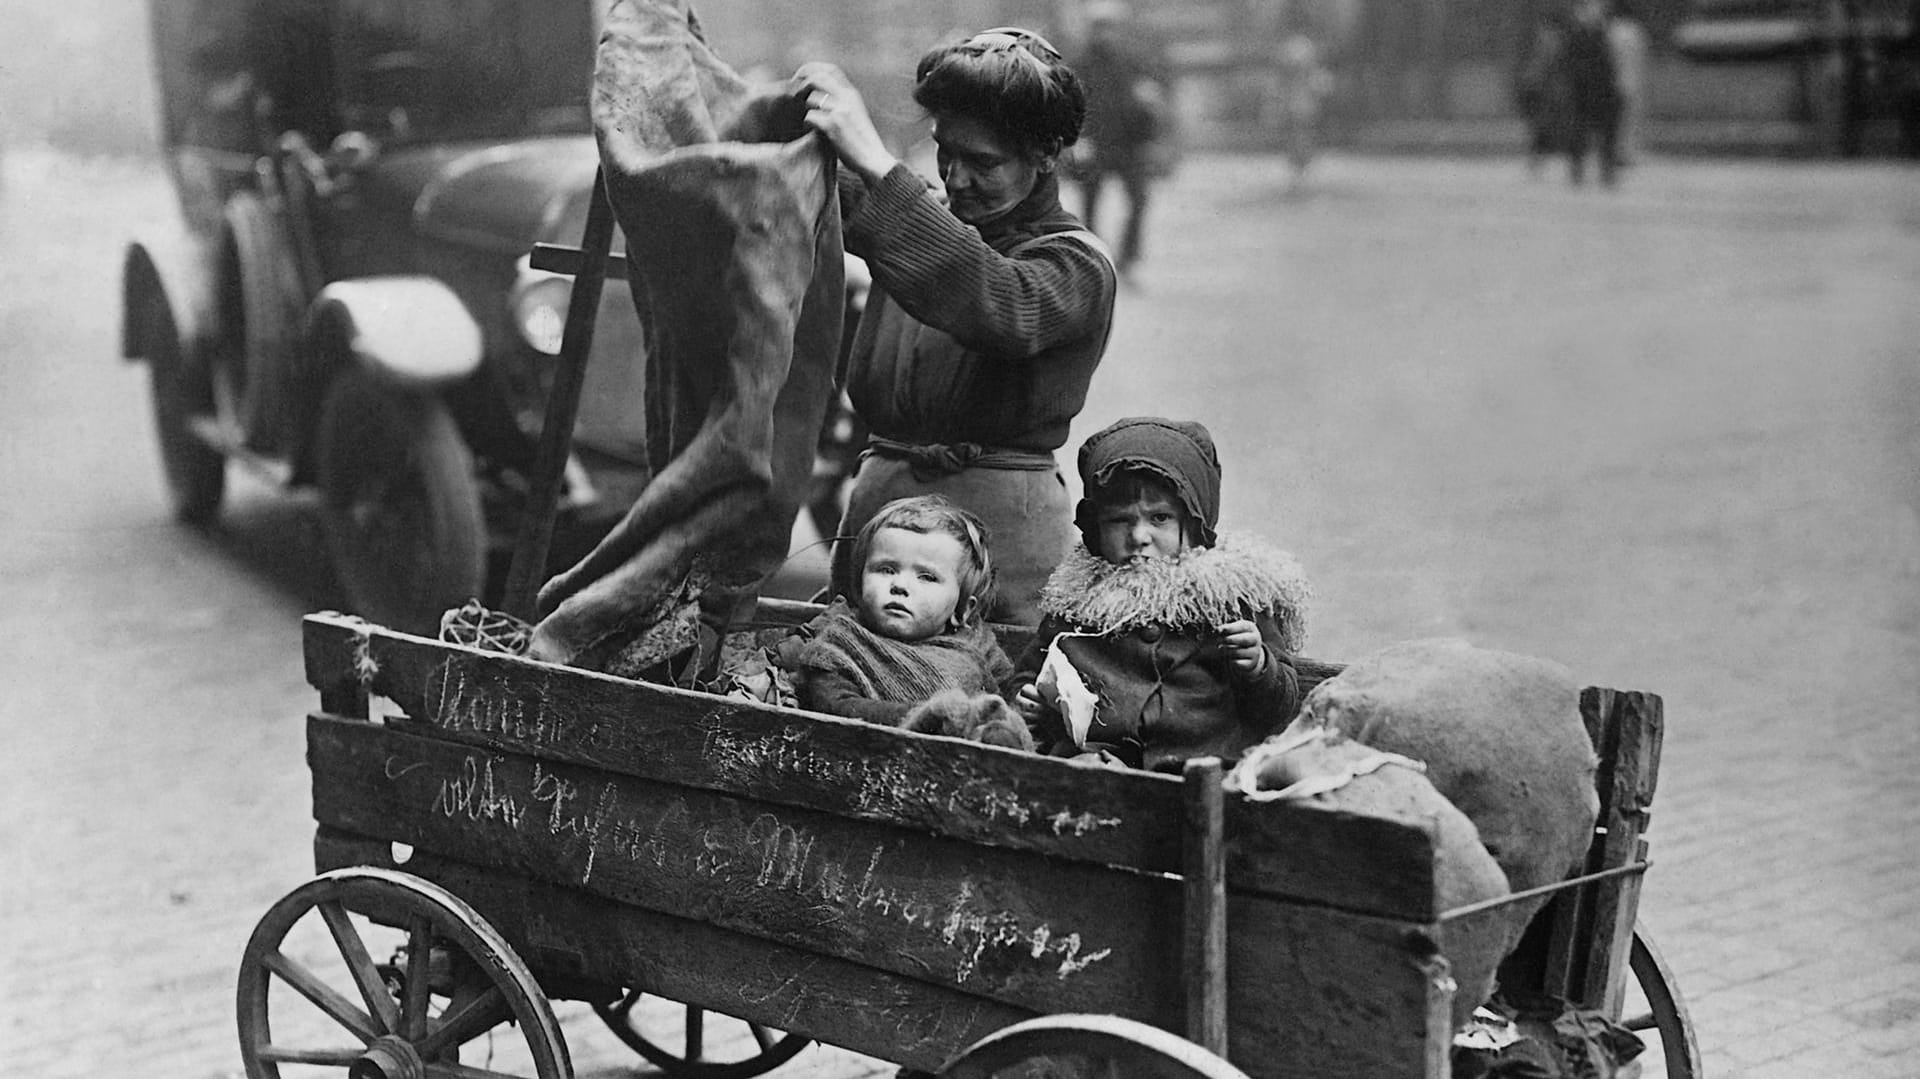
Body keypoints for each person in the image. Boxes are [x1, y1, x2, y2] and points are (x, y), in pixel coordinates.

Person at [792, 27, 1119, 626]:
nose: (955, 177)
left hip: (1000, 545)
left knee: (985, 697)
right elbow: (807, 187)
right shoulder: (921, 221)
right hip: (881, 524)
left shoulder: (1074, 264)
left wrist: (878, 162)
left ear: (1046, 154)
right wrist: (785, 116)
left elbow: (998, 300)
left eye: (983, 162)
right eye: (945, 150)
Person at [1010, 417, 1312, 772]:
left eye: (1160, 518)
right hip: (1092, 766)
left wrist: (1258, 665)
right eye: (1119, 520)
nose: (1138, 536)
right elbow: (1030, 672)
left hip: (1205, 771)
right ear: (1095, 527)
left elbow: (1278, 708)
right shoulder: (1076, 605)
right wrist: (1026, 698)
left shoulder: (1228, 599)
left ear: (1195, 523)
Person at [789, 496, 1015, 725]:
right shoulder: (837, 647)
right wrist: (927, 717)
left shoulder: (977, 644)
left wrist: (1026, 707)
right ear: (859, 586)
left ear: (963, 608)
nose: (900, 586)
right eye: (886, 570)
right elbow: (839, 708)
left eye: (927, 577)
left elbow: (1008, 692)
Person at [1070, 1, 1173, 278]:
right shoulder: (1080, 64)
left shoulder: (1131, 60)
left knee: (1139, 200)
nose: (1105, 34)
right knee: (1090, 204)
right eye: (1099, 28)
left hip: (1128, 143)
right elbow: (1069, 104)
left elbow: (1149, 99)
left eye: (1110, 27)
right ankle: (1091, 258)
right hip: (1095, 144)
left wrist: (1148, 135)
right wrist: (1078, 139)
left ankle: (1128, 255)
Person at [1558, 0, 1623, 186]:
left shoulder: (1605, 35)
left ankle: (1606, 170)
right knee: (1578, 131)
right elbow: (1568, 63)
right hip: (1581, 91)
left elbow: (1609, 64)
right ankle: (1578, 170)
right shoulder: (1575, 36)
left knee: (1607, 132)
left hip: (1602, 90)